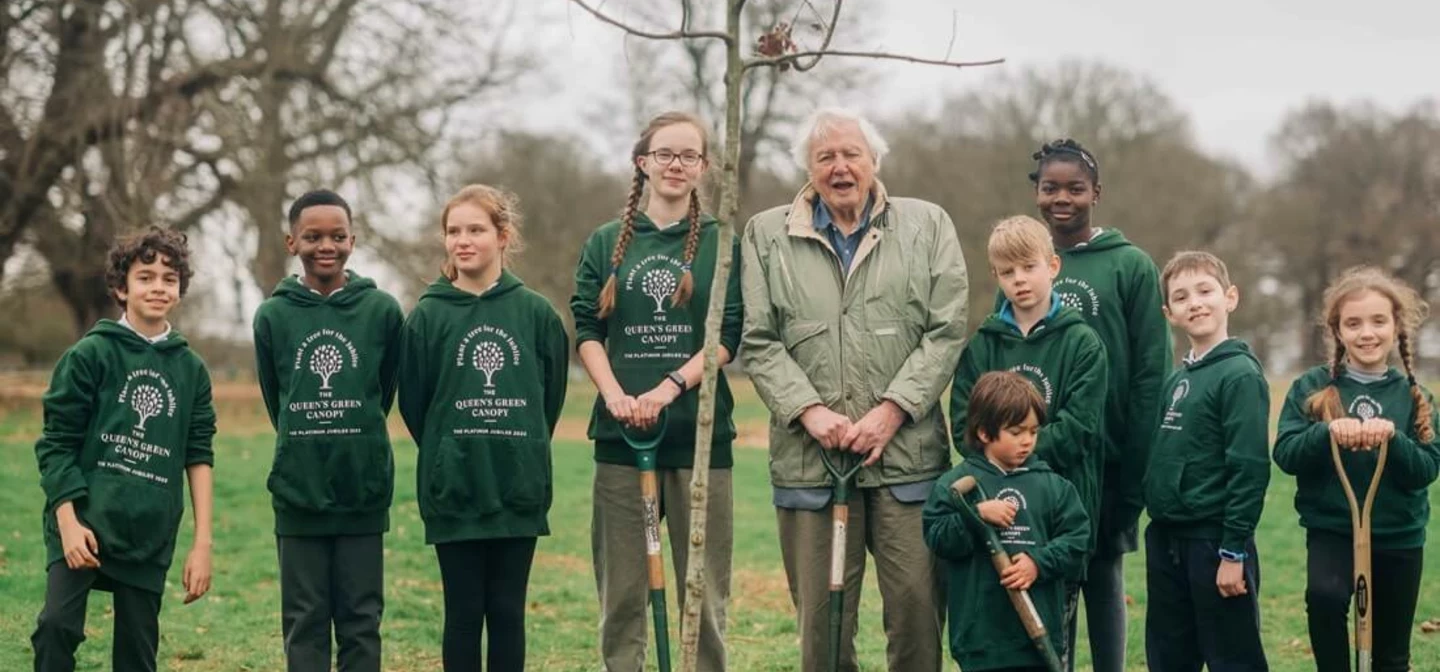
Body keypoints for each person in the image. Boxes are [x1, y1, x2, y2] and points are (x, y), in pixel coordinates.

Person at [741, 106, 968, 671]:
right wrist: (810, 412)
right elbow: (760, 339)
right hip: (810, 465)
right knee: (823, 624)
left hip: (908, 462)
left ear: (874, 161)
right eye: (826, 157)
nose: (840, 167)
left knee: (917, 616)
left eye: (851, 154)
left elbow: (947, 329)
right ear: (809, 169)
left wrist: (892, 412)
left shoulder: (927, 224)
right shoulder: (766, 234)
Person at [570, 111, 742, 672]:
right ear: (642, 162)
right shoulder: (604, 243)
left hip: (698, 441)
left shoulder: (723, 242)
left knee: (704, 598)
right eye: (664, 154)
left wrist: (669, 388)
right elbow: (587, 328)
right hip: (622, 442)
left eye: (688, 155)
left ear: (704, 167)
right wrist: (617, 395)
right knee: (622, 596)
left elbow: (727, 334)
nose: (676, 164)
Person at [397, 185, 568, 672]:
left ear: (503, 236)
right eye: (453, 231)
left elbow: (548, 400)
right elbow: (415, 405)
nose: (462, 240)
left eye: (476, 229)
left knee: (509, 612)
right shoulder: (427, 316)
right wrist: (449, 451)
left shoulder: (535, 313)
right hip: (455, 489)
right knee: (464, 614)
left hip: (517, 487)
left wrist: (520, 447)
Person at [32, 227, 216, 672]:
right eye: (145, 276)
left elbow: (199, 454)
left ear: (179, 290)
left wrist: (202, 543)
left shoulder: (191, 370)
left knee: (137, 655)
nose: (158, 287)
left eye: (169, 279)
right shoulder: (90, 355)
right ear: (121, 287)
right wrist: (69, 522)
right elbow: (56, 446)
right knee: (56, 628)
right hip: (83, 522)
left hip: (147, 534)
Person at [1023, 139, 1171, 672]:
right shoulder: (1027, 265)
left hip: (1107, 458)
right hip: (1039, 455)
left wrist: (1135, 465)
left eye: (1075, 188)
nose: (1062, 198)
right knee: (1048, 573)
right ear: (1037, 193)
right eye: (1050, 187)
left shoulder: (1131, 265)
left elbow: (1152, 369)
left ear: (1096, 194)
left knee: (1102, 571)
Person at [253, 189, 404, 671]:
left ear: (353, 240)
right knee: (305, 621)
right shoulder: (272, 315)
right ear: (291, 241)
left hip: (362, 489)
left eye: (338, 236)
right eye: (313, 236)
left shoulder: (381, 311)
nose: (326, 246)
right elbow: (278, 399)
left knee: (362, 620)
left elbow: (384, 390)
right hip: (299, 493)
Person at [1273, 266, 1439, 672]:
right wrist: (1327, 431)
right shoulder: (1311, 388)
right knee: (1325, 597)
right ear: (1337, 331)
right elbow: (1287, 453)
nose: (1367, 332)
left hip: (1398, 534)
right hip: (1333, 528)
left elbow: (1427, 468)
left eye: (1378, 321)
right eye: (1353, 323)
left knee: (1391, 654)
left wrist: (1394, 440)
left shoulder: (1414, 396)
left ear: (1396, 326)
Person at [949, 214, 1107, 556]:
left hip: (1058, 503)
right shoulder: (983, 344)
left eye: (1028, 267)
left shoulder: (1084, 343)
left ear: (1052, 266)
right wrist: (1001, 461)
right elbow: (964, 423)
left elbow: (1078, 428)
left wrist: (1014, 452)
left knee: (1053, 607)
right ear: (996, 276)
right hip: (993, 501)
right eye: (1008, 272)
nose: (1019, 279)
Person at [1143, 251, 1269, 671]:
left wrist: (1233, 551)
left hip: (1215, 545)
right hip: (1167, 542)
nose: (1194, 302)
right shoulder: (1178, 379)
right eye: (1181, 297)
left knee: (1233, 659)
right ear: (1169, 313)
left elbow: (1248, 468)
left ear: (1230, 297)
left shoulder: (1240, 375)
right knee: (1169, 658)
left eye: (1205, 291)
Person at [924, 370, 1090, 672]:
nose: (1027, 441)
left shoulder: (1053, 486)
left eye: (1034, 431)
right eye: (1016, 432)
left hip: (1037, 634)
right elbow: (937, 537)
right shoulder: (956, 484)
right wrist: (975, 516)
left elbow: (1077, 539)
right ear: (985, 433)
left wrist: (1038, 563)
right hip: (981, 638)